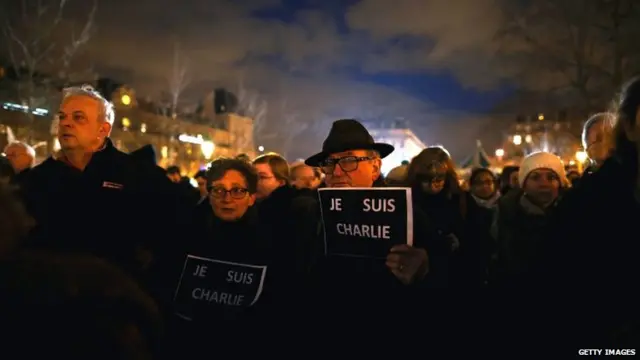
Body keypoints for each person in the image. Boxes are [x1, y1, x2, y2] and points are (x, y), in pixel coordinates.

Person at [18, 85, 183, 282]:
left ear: (103, 129)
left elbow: (171, 239)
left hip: (118, 300)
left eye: (78, 117)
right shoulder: (37, 179)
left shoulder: (137, 175)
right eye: (62, 117)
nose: (66, 124)